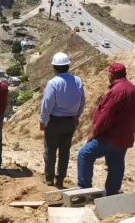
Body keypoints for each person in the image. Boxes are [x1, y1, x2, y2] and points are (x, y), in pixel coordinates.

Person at [77, 63, 135, 196]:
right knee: (116, 163)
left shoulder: (116, 91)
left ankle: (84, 190)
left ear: (112, 74)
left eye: (108, 73)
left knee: (85, 154)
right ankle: (112, 192)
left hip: (109, 136)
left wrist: (94, 133)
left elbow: (106, 116)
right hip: (125, 136)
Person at [40, 52, 86, 187]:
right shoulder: (77, 81)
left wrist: (43, 120)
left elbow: (47, 104)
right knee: (65, 151)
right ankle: (60, 179)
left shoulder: (53, 83)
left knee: (50, 149)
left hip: (54, 121)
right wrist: (77, 116)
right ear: (68, 66)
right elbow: (82, 101)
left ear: (54, 67)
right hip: (70, 121)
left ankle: (49, 178)